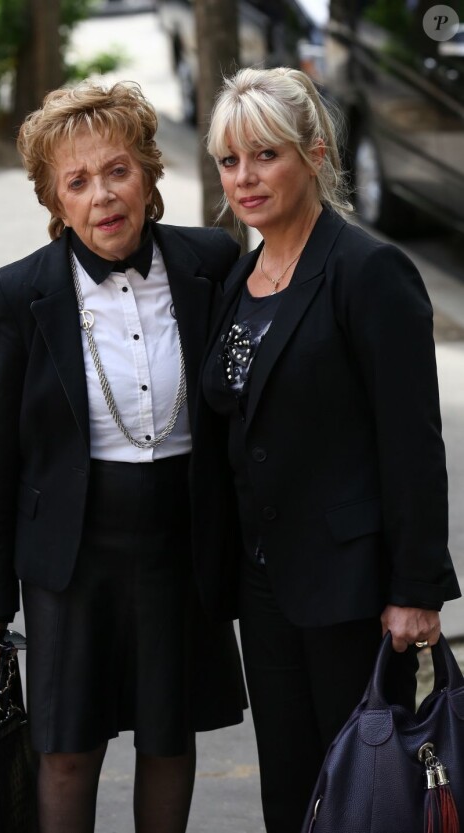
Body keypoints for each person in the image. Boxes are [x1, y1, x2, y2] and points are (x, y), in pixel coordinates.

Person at [0, 80, 246, 833]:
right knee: (66, 747)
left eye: (117, 169)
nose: (102, 196)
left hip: (179, 543)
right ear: (54, 202)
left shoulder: (213, 262)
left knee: (168, 733)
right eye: (78, 182)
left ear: (151, 173)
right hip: (70, 555)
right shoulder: (20, 291)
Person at [197, 66, 461, 833]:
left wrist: (416, 588)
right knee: (291, 788)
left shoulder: (368, 272)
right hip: (263, 584)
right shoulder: (242, 278)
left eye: (265, 155)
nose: (244, 178)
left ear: (315, 155)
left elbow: (413, 442)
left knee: (364, 788)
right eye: (228, 160)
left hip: (350, 587)